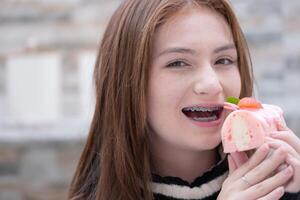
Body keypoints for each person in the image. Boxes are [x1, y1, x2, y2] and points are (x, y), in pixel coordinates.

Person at [68, 0, 300, 199]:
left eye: (224, 60)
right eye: (178, 63)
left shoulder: (282, 185)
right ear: (128, 82)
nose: (212, 84)